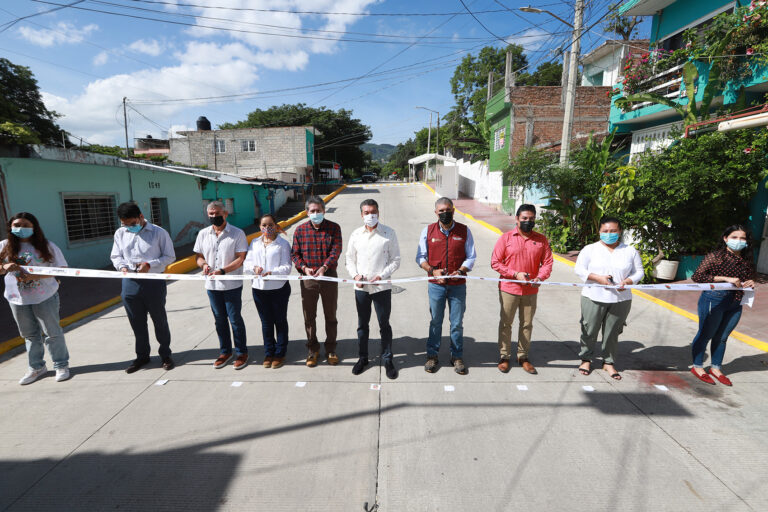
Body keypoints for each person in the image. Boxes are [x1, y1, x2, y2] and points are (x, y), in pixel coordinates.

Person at [1, 213, 71, 384]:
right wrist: (4, 266)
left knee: (52, 333)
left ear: (34, 227)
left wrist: (36, 276)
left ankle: (61, 364)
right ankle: (36, 367)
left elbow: (62, 268)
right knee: (29, 335)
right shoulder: (4, 245)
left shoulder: (47, 246)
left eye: (25, 225)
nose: (21, 228)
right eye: (17, 224)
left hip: (44, 297)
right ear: (10, 226)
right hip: (16, 299)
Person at [574, 216, 643, 381]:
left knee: (612, 332)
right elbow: (579, 269)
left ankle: (608, 362)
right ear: (599, 231)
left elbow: (639, 271)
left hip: (621, 299)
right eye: (605, 231)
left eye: (613, 231)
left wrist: (628, 281)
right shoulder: (590, 249)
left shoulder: (629, 251)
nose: (609, 234)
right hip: (593, 296)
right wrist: (597, 278)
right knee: (589, 329)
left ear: (620, 232)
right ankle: (586, 359)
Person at [110, 202, 176, 373]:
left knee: (159, 320)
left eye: (132, 223)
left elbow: (170, 256)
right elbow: (116, 255)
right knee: (137, 323)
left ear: (141, 216)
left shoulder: (158, 232)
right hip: (130, 282)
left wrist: (150, 264)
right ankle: (142, 356)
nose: (128, 227)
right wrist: (122, 267)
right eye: (124, 224)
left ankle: (165, 355)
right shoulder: (120, 233)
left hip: (153, 282)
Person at [689, 225, 756, 386]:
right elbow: (697, 276)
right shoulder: (716, 256)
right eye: (734, 237)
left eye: (742, 238)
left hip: (735, 302)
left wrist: (750, 281)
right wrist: (725, 278)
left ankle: (716, 368)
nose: (738, 241)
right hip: (714, 299)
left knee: (723, 337)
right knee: (706, 334)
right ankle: (697, 366)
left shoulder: (746, 259)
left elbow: (747, 278)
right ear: (725, 238)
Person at [416, 197, 476, 375]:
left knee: (456, 323)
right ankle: (432, 355)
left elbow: (471, 256)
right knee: (435, 322)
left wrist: (462, 269)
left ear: (453, 210)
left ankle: (456, 356)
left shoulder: (464, 231)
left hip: (458, 286)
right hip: (436, 286)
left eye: (447, 209)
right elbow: (420, 257)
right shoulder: (428, 231)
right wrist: (432, 271)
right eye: (441, 211)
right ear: (436, 212)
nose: (444, 213)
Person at [490, 204, 553, 375]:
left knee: (527, 324)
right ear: (517, 219)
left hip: (530, 290)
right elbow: (495, 262)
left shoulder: (541, 240)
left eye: (531, 219)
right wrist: (515, 274)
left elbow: (547, 263)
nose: (528, 222)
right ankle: (504, 356)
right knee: (506, 323)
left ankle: (523, 356)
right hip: (509, 288)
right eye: (524, 218)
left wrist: (540, 277)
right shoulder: (506, 238)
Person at [345, 199, 401, 379]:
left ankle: (387, 359)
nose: (370, 215)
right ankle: (363, 358)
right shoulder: (355, 235)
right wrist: (355, 276)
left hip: (381, 287)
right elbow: (349, 259)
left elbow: (395, 260)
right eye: (367, 212)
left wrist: (382, 276)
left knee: (384, 324)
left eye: (373, 212)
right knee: (363, 325)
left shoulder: (388, 233)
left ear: (379, 212)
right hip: (361, 288)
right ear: (361, 215)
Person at [194, 201, 249, 370]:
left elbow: (241, 258)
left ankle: (241, 353)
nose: (213, 216)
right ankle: (225, 352)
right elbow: (199, 256)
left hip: (231, 284)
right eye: (210, 214)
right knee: (219, 321)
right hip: (212, 286)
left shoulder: (237, 233)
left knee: (234, 320)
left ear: (225, 214)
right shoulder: (203, 234)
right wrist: (203, 265)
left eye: (217, 213)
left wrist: (223, 271)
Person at [291, 196, 343, 367]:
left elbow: (336, 250)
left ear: (324, 210)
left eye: (318, 210)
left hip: (328, 277)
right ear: (307, 212)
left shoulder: (334, 228)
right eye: (312, 211)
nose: (315, 213)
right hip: (308, 280)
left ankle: (331, 349)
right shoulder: (300, 230)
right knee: (309, 316)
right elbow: (295, 254)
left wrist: (325, 267)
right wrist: (304, 268)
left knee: (331, 315)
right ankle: (312, 349)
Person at [244, 214, 292, 369]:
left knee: (280, 321)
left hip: (278, 288)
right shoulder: (254, 243)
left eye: (270, 225)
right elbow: (247, 263)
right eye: (264, 225)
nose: (267, 228)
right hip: (259, 289)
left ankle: (280, 353)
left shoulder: (282, 244)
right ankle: (269, 352)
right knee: (266, 322)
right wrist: (254, 268)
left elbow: (287, 267)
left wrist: (272, 272)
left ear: (276, 225)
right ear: (260, 227)